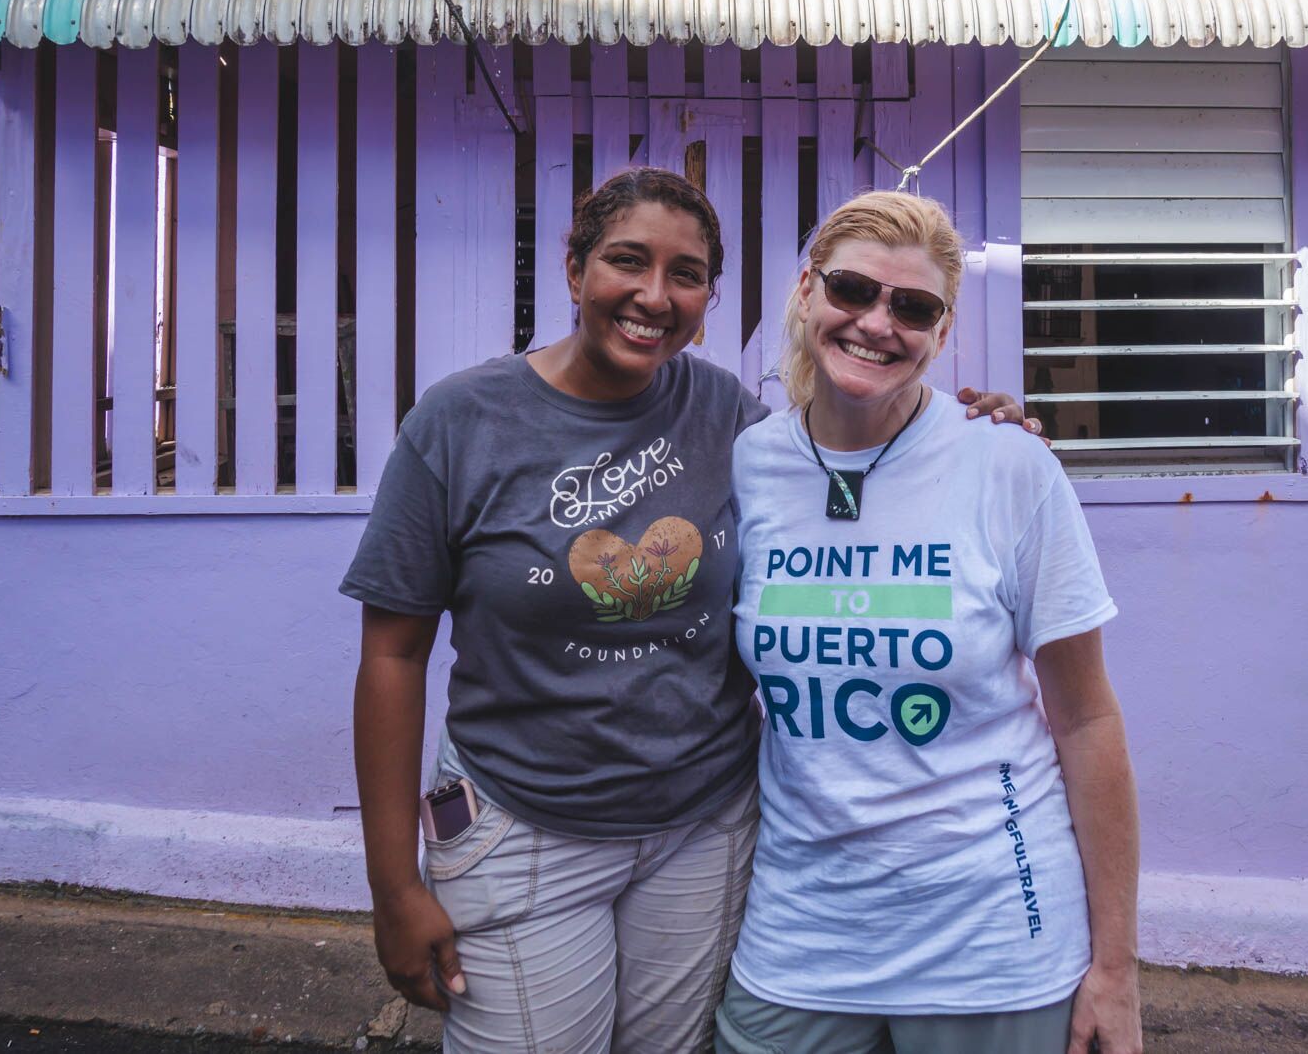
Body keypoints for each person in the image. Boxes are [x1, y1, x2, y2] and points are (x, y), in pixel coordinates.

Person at [340, 168, 1038, 1054]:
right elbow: (392, 658)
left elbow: (860, 465)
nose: (653, 296)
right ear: (573, 268)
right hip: (524, 823)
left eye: (687, 274)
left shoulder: (728, 419)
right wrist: (393, 885)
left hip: (702, 832)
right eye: (626, 261)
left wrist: (982, 428)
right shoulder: (460, 422)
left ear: (710, 296)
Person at [720, 191, 1143, 1054]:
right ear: (807, 291)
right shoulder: (750, 464)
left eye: (912, 307)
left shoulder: (1008, 464)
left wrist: (1117, 966)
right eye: (852, 290)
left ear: (941, 335)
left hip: (993, 939)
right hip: (802, 936)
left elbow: (1087, 717)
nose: (878, 323)